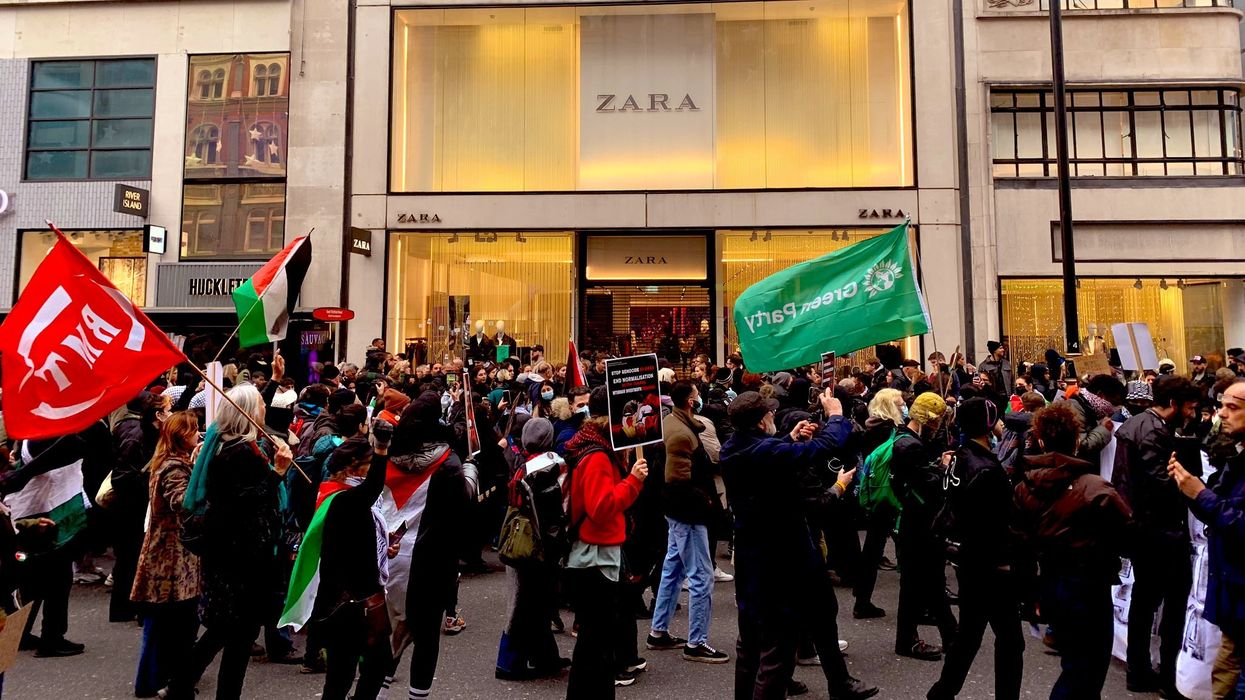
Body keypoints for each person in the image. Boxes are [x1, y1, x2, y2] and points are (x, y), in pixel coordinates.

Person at [720, 389, 876, 700]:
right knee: (775, 647)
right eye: (769, 415)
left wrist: (790, 438)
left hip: (762, 553)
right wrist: (835, 414)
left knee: (754, 642)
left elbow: (767, 452)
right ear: (762, 422)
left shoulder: (735, 447)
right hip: (779, 556)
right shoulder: (764, 452)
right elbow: (826, 445)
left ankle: (840, 682)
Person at [165, 384, 294, 700]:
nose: (265, 406)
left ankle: (182, 686)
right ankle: (189, 687)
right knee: (234, 633)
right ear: (249, 413)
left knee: (229, 631)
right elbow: (246, 503)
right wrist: (277, 473)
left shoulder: (235, 446)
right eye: (261, 403)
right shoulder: (236, 453)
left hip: (237, 555)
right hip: (241, 558)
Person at [1013, 403, 1133, 700]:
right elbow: (1127, 536)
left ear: (1041, 441)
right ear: (1077, 441)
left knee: (1077, 666)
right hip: (1086, 585)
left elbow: (1018, 540)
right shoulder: (1095, 489)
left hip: (1051, 582)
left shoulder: (1023, 488)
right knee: (1085, 670)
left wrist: (1031, 592)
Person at [378, 391, 477, 700]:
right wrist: (472, 469)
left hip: (387, 559)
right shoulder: (447, 463)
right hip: (429, 561)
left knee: (389, 634)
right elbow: (463, 506)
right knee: (425, 638)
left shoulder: (385, 456)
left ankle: (375, 691)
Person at [927, 398, 1024, 700]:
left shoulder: (958, 456)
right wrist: (1005, 560)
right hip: (989, 563)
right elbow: (994, 522)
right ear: (987, 424)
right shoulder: (987, 469)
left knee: (968, 636)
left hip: (967, 558)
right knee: (1009, 639)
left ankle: (942, 692)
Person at [1111, 375, 1202, 695]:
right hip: (1158, 532)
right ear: (1173, 404)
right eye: (1189, 407)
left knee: (1145, 601)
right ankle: (1164, 676)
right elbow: (1159, 484)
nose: (1192, 414)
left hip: (1144, 530)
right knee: (1172, 603)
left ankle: (1140, 670)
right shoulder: (1152, 432)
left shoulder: (1139, 425)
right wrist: (1190, 486)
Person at [564, 386, 648, 697]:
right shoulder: (597, 455)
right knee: (595, 645)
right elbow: (600, 508)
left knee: (593, 643)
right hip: (595, 556)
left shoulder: (594, 446)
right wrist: (633, 482)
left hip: (594, 552)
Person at [304, 424, 393, 700]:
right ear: (353, 468)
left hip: (351, 598)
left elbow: (356, 536)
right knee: (344, 676)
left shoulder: (334, 495)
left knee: (367, 667)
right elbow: (373, 486)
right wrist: (381, 449)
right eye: (368, 464)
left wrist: (383, 545)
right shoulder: (343, 499)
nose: (371, 470)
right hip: (349, 603)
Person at [646, 381, 728, 663]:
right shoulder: (682, 433)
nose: (699, 398)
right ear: (691, 401)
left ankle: (658, 631)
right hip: (688, 512)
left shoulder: (673, 423)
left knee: (674, 566)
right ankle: (697, 641)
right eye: (696, 395)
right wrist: (704, 502)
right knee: (701, 575)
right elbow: (679, 480)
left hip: (678, 511)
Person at [130, 411, 202, 698]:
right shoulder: (173, 468)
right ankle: (159, 679)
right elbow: (183, 503)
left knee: (162, 624)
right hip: (171, 557)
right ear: (181, 435)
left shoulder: (167, 462)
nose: (199, 434)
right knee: (171, 624)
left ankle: (151, 679)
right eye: (195, 430)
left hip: (167, 552)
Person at [495, 418, 571, 681]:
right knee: (526, 603)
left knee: (534, 600)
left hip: (522, 539)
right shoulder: (556, 465)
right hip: (542, 543)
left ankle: (544, 656)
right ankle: (509, 663)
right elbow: (562, 507)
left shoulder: (522, 465)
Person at [891, 392, 958, 661]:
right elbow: (924, 484)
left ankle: (948, 635)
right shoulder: (911, 446)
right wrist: (942, 468)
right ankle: (931, 638)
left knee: (923, 583)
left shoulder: (903, 439)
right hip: (919, 523)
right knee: (922, 583)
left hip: (913, 522)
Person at [109, 391, 168, 623]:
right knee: (130, 557)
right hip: (130, 508)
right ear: (157, 414)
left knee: (130, 558)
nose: (170, 413)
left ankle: (126, 607)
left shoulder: (147, 433)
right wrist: (149, 482)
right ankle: (125, 608)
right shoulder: (135, 436)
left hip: (135, 506)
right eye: (167, 409)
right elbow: (121, 476)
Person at [852, 388, 905, 619]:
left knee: (871, 550)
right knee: (904, 546)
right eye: (901, 401)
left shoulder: (869, 428)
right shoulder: (891, 431)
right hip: (892, 494)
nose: (904, 405)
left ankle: (862, 599)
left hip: (875, 494)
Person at [1067, 374, 1123, 463]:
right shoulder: (1075, 408)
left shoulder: (1093, 409)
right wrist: (1104, 429)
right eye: (1114, 402)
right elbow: (1080, 448)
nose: (1115, 408)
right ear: (1100, 394)